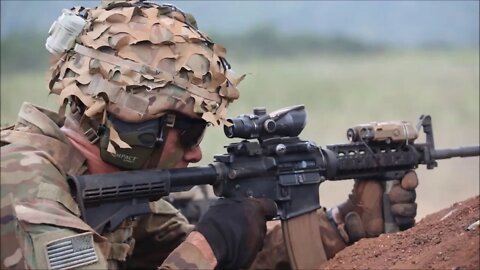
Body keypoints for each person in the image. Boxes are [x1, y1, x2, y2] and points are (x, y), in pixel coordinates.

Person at [0, 1, 417, 269]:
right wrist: (213, 242)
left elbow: (219, 263)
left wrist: (342, 227)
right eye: (188, 131)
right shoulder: (25, 192)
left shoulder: (112, 191)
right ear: (136, 124)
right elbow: (202, 257)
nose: (196, 154)